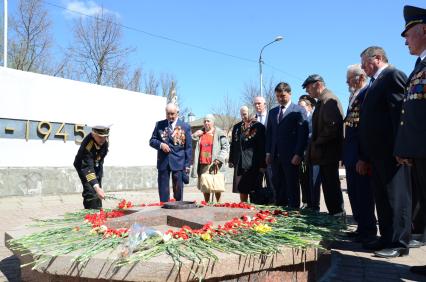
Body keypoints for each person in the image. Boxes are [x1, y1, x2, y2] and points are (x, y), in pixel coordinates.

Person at [357, 46, 410, 258]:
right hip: (376, 153)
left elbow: (399, 115)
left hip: (391, 151)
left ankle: (399, 242)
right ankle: (386, 237)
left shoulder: (392, 76)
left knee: (396, 198)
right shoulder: (374, 83)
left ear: (377, 58)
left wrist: (401, 147)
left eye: (364, 63)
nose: (362, 68)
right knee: (382, 197)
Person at [394, 5, 426, 274]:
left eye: (408, 33)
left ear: (423, 29)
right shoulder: (420, 66)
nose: (405, 40)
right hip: (419, 151)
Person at [342, 64, 377, 243]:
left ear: (359, 78)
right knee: (354, 194)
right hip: (350, 153)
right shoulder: (354, 95)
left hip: (359, 154)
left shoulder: (366, 94)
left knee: (364, 194)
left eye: (349, 79)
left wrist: (364, 156)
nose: (346, 82)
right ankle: (361, 227)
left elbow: (364, 128)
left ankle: (369, 230)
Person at [302, 74, 345, 216]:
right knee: (328, 186)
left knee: (331, 186)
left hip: (328, 152)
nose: (307, 91)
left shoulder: (328, 100)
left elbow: (332, 127)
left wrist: (317, 142)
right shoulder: (322, 101)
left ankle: (337, 215)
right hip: (324, 153)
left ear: (317, 84)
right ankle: (335, 214)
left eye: (308, 87)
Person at [265, 82, 308, 208]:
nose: (280, 99)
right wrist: (268, 152)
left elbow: (302, 134)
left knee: (292, 184)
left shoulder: (299, 110)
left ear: (290, 94)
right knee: (277, 183)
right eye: (278, 96)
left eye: (283, 96)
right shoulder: (272, 112)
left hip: (291, 156)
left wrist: (298, 153)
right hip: (275, 156)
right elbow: (270, 134)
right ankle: (280, 209)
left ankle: (294, 210)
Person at [149, 103, 192, 202]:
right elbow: (152, 141)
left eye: (172, 114)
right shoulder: (159, 125)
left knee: (178, 190)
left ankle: (178, 209)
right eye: (168, 114)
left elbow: (188, 148)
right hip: (163, 162)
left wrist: (187, 164)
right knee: (163, 190)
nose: (170, 116)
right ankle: (163, 209)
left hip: (179, 162)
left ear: (177, 113)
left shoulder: (185, 126)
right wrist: (161, 145)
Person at [229, 106, 266, 202]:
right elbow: (233, 144)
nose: (243, 116)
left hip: (254, 164)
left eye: (245, 114)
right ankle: (243, 207)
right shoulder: (237, 127)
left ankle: (255, 210)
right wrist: (231, 159)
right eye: (241, 114)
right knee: (242, 188)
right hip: (240, 163)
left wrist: (262, 165)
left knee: (254, 189)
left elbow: (262, 147)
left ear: (250, 113)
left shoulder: (259, 127)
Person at [191, 114, 229, 202]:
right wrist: (195, 135)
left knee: (216, 185)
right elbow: (191, 145)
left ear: (213, 122)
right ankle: (207, 204)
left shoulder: (219, 133)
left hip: (215, 164)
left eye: (208, 121)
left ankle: (218, 204)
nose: (206, 123)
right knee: (205, 185)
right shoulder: (201, 133)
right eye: (204, 121)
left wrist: (219, 159)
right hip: (203, 164)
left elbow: (225, 147)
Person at [74, 124, 110, 209]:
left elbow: (100, 157)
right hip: (83, 166)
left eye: (105, 137)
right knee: (90, 189)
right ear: (94, 135)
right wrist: (96, 187)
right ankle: (91, 214)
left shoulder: (105, 140)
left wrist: (98, 183)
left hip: (96, 164)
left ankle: (98, 209)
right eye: (100, 137)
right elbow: (87, 167)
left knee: (98, 187)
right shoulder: (87, 145)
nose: (103, 139)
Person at [298, 95, 321, 211]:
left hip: (313, 153)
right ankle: (306, 202)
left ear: (309, 107)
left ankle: (314, 205)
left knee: (314, 180)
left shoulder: (313, 117)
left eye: (302, 107)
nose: (300, 109)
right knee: (304, 179)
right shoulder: (300, 120)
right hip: (302, 154)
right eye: (298, 107)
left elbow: (315, 133)